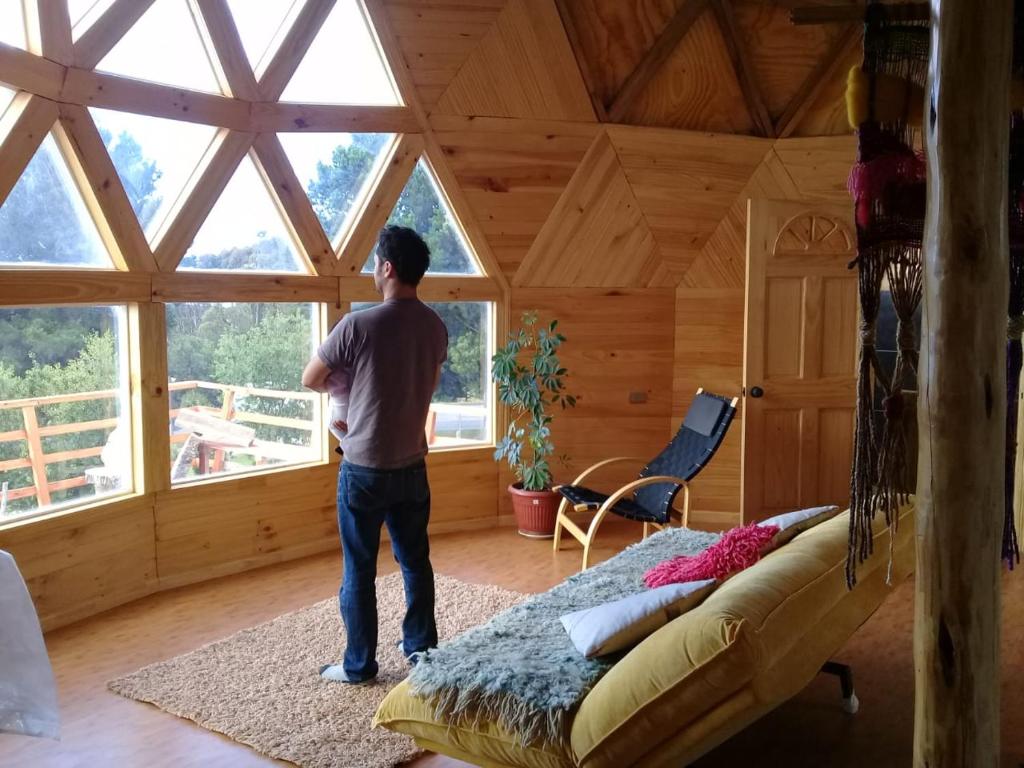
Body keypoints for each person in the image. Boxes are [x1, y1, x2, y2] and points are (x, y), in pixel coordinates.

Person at [301, 225, 448, 685]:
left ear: (387, 267)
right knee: (415, 561)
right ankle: (422, 651)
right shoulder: (435, 326)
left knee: (359, 570)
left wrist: (347, 395)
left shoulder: (357, 325)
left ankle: (359, 665)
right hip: (412, 465)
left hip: (363, 468)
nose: (371, 270)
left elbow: (310, 377)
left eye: (374, 262)